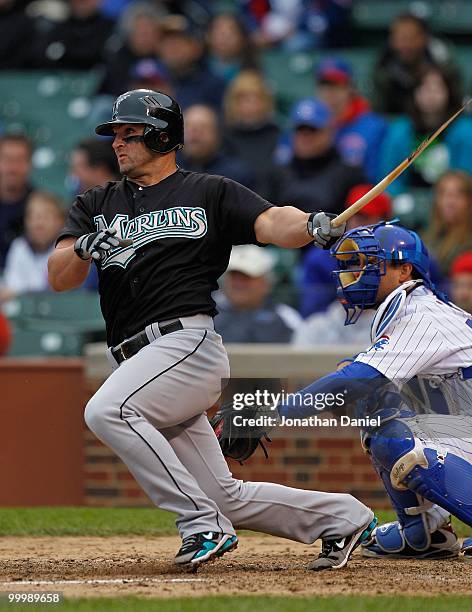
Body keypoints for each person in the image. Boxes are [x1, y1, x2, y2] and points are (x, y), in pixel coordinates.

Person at [47, 88, 375, 570]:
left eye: (129, 133)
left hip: (186, 342)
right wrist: (80, 249)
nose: (117, 143)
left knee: (107, 410)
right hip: (139, 360)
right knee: (227, 496)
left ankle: (199, 524)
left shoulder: (208, 191)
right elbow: (58, 277)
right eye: (114, 134)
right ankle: (344, 517)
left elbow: (270, 221)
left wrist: (310, 224)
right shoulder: (98, 202)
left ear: (162, 137)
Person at [275, 221, 472, 564]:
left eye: (371, 264)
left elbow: (357, 379)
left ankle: (422, 530)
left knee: (396, 432)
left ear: (404, 271)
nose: (357, 273)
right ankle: (424, 533)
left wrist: (273, 414)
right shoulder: (408, 310)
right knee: (376, 405)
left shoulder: (422, 313)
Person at [300, 184, 392, 317]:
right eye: (351, 215)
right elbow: (312, 313)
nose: (355, 222)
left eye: (363, 217)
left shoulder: (401, 257)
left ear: (384, 221)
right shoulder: (321, 258)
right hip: (336, 329)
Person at [379, 66, 472, 196]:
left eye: (437, 89)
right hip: (406, 201)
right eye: (424, 89)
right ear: (414, 93)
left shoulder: (465, 131)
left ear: (449, 92)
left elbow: (466, 180)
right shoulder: (400, 129)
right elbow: (387, 178)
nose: (430, 96)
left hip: (451, 202)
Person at [269, 98, 365, 214]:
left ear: (330, 131)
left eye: (313, 130)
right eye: (300, 129)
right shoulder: (278, 172)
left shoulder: (349, 174)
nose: (306, 136)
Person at [315, 58, 388, 183]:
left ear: (350, 88)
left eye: (336, 85)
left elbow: (378, 176)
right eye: (324, 85)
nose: (329, 92)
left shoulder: (375, 127)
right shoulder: (308, 126)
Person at [373, 12, 459, 115]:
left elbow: (456, 102)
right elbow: (379, 110)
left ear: (424, 38)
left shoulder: (442, 62)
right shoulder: (383, 65)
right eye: (397, 39)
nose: (402, 45)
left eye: (408, 38)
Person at [215, 245, 301, 343]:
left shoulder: (286, 317)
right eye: (234, 277)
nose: (238, 284)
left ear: (266, 282)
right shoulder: (206, 314)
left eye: (246, 277)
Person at [1, 191, 65, 302]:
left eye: (46, 217)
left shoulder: (65, 250)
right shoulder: (19, 247)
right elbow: (10, 289)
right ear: (26, 221)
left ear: (60, 222)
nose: (39, 224)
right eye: (34, 217)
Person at [223, 70, 280, 194]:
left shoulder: (277, 135)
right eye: (243, 99)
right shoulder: (223, 138)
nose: (250, 105)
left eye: (256, 98)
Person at [179, 104, 255, 188]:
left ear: (217, 134)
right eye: (189, 127)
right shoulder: (168, 172)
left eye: (203, 128)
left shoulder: (237, 176)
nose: (194, 135)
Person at [99, 3, 164, 97]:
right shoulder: (118, 59)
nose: (145, 38)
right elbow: (115, 90)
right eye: (141, 33)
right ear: (130, 35)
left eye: (149, 33)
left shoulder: (165, 56)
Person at [158, 20, 226, 110]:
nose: (172, 48)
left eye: (179, 42)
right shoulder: (148, 79)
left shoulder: (213, 86)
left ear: (196, 48)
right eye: (167, 42)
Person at [34, 0, 115, 70]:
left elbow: (95, 55)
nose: (81, 3)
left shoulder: (109, 26)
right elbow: (44, 55)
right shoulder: (60, 26)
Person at [422, 170, 472, 277]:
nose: (449, 202)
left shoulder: (469, 243)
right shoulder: (427, 237)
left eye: (457, 195)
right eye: (443, 194)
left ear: (469, 201)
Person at [0, 134, 34, 270]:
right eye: (7, 160)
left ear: (29, 164)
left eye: (19, 160)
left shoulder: (41, 207)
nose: (12, 168)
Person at [206, 13, 258, 83]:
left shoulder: (253, 71)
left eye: (231, 31)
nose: (225, 36)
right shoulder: (196, 67)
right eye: (218, 30)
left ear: (242, 39)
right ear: (207, 36)